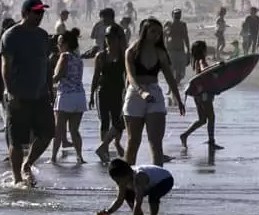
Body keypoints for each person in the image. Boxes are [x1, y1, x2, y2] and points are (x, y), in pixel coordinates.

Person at [1, 0, 55, 185]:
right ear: (25, 13)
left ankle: (28, 164)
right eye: (36, 12)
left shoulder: (42, 35)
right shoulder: (11, 35)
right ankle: (17, 180)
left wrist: (50, 88)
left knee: (48, 132)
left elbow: (46, 64)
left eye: (42, 12)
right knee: (16, 140)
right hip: (19, 95)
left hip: (40, 94)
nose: (40, 15)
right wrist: (10, 93)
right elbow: (5, 67)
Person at [123, 18, 185, 166]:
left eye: (158, 32)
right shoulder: (131, 51)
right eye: (152, 31)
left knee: (155, 143)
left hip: (155, 93)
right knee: (133, 142)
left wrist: (178, 99)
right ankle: (126, 182)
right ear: (144, 32)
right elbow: (130, 77)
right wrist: (141, 92)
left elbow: (170, 77)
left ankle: (157, 179)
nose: (156, 35)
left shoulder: (160, 52)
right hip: (135, 94)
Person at [90, 24, 127, 164]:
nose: (109, 41)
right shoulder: (101, 56)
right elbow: (95, 76)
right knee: (104, 121)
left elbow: (128, 76)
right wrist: (91, 94)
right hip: (103, 92)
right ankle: (104, 148)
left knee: (119, 121)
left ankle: (116, 143)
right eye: (107, 38)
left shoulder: (123, 55)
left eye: (112, 38)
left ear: (118, 39)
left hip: (118, 93)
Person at [50, 28, 86, 165]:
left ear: (65, 44)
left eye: (59, 43)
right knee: (74, 130)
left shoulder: (64, 56)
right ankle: (80, 156)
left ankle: (53, 157)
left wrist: (47, 80)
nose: (57, 46)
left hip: (65, 96)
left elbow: (58, 76)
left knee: (59, 130)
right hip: (79, 96)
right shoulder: (78, 58)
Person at [96, 159, 174, 215]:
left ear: (127, 175)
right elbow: (119, 200)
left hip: (165, 180)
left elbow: (138, 201)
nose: (118, 183)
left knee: (153, 197)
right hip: (148, 185)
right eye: (115, 181)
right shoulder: (123, 181)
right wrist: (108, 212)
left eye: (119, 181)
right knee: (127, 195)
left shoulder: (139, 176)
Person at [179, 41, 223, 150]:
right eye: (205, 48)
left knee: (202, 119)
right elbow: (205, 71)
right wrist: (217, 65)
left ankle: (184, 135)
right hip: (204, 94)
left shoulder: (196, 61)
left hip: (198, 93)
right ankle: (211, 141)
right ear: (202, 50)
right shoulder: (201, 61)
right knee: (211, 117)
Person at [164, 9, 190, 85]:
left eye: (178, 14)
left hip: (180, 51)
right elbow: (163, 36)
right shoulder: (168, 24)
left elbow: (186, 37)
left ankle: (175, 86)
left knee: (181, 73)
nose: (177, 16)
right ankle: (172, 88)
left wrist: (188, 51)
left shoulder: (183, 25)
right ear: (172, 15)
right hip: (171, 51)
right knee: (171, 72)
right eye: (175, 14)